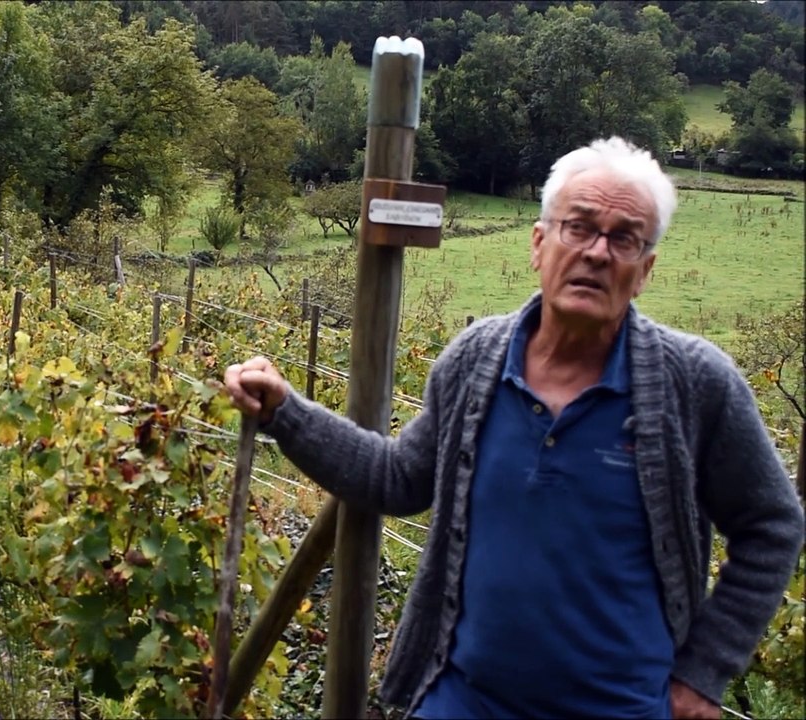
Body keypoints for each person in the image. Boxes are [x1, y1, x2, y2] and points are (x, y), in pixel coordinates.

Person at [224, 136, 804, 720]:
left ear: (645, 271)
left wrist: (703, 673)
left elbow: (773, 524)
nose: (597, 253)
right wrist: (284, 412)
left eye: (624, 238)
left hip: (623, 708)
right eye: (578, 227)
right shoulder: (475, 359)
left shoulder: (695, 384)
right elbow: (397, 478)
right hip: (463, 700)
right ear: (539, 243)